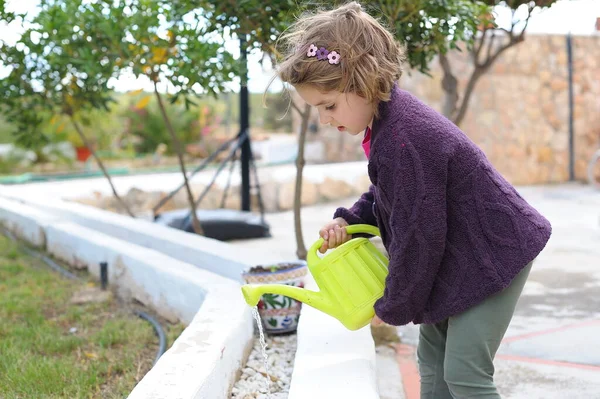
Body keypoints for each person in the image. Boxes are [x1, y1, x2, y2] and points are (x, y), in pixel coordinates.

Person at [268, 2, 552, 398]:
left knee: (465, 374)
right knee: (432, 366)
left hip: (493, 256)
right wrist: (350, 220)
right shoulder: (388, 125)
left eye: (328, 106)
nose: (325, 120)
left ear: (364, 81)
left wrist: (393, 305)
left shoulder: (405, 137)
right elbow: (391, 194)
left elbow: (421, 236)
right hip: (461, 257)